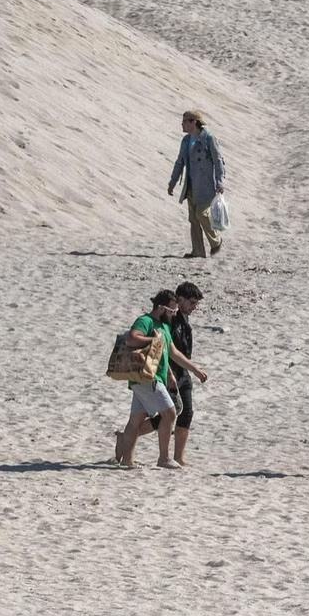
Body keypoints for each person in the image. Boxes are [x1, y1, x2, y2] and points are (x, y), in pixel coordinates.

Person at [113, 288, 208, 470]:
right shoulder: (146, 321)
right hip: (146, 376)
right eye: (172, 311)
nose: (174, 314)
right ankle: (163, 458)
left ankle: (127, 460)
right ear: (161, 308)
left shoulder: (164, 326)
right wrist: (152, 340)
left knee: (136, 420)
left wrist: (193, 370)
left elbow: (171, 352)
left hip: (155, 377)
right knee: (170, 413)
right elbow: (132, 339)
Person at [144, 282, 205, 466]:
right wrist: (171, 374)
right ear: (180, 299)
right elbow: (168, 351)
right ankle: (129, 435)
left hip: (183, 373)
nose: (194, 307)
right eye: (192, 302)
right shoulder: (170, 319)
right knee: (168, 413)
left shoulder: (185, 319)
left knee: (187, 413)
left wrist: (192, 370)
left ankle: (179, 457)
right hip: (170, 373)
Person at [168, 110, 227, 257]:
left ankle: (216, 241)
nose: (182, 124)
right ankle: (198, 251)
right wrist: (173, 182)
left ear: (193, 122)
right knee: (193, 218)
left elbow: (218, 161)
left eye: (184, 121)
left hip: (206, 185)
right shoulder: (186, 140)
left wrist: (220, 182)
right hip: (190, 185)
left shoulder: (208, 138)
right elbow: (179, 162)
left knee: (201, 214)